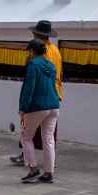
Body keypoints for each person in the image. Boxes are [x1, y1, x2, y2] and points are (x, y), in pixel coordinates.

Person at [11, 20, 64, 166]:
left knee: (27, 131)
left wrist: (24, 106)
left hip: (40, 95)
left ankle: (28, 160)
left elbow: (35, 78)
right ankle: (50, 164)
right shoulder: (56, 50)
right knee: (48, 135)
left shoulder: (39, 54)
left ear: (37, 35)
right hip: (54, 95)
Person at [18, 39, 59, 184]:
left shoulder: (33, 65)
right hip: (53, 105)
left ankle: (33, 169)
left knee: (26, 137)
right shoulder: (51, 65)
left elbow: (29, 88)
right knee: (48, 139)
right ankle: (48, 173)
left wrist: (23, 108)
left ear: (32, 51)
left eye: (29, 51)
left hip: (37, 106)